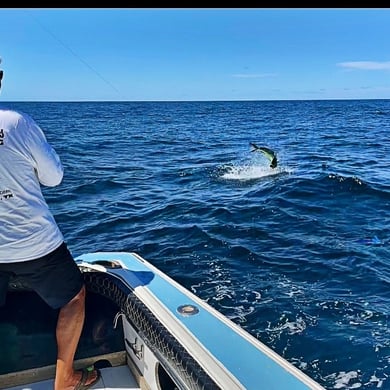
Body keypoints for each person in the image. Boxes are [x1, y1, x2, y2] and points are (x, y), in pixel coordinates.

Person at [0, 65, 100, 389]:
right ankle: (65, 378)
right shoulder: (17, 123)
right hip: (35, 246)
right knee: (74, 297)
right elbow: (54, 178)